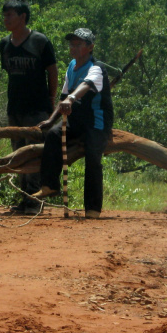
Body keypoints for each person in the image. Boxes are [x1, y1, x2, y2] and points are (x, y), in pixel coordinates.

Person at [34, 28, 113, 219]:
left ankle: (93, 208)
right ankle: (50, 185)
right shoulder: (71, 66)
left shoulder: (96, 68)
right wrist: (51, 119)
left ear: (90, 47)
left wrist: (71, 98)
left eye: (78, 44)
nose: (73, 47)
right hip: (76, 120)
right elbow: (63, 97)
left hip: (97, 122)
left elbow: (85, 86)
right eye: (72, 44)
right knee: (53, 135)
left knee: (93, 157)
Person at [0, 0, 58, 215]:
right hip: (14, 109)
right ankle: (24, 200)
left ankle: (35, 201)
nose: (5, 19)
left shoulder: (40, 41)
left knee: (34, 154)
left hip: (37, 109)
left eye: (9, 15)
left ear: (22, 17)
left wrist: (51, 102)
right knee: (18, 155)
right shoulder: (4, 44)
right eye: (4, 15)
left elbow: (52, 72)